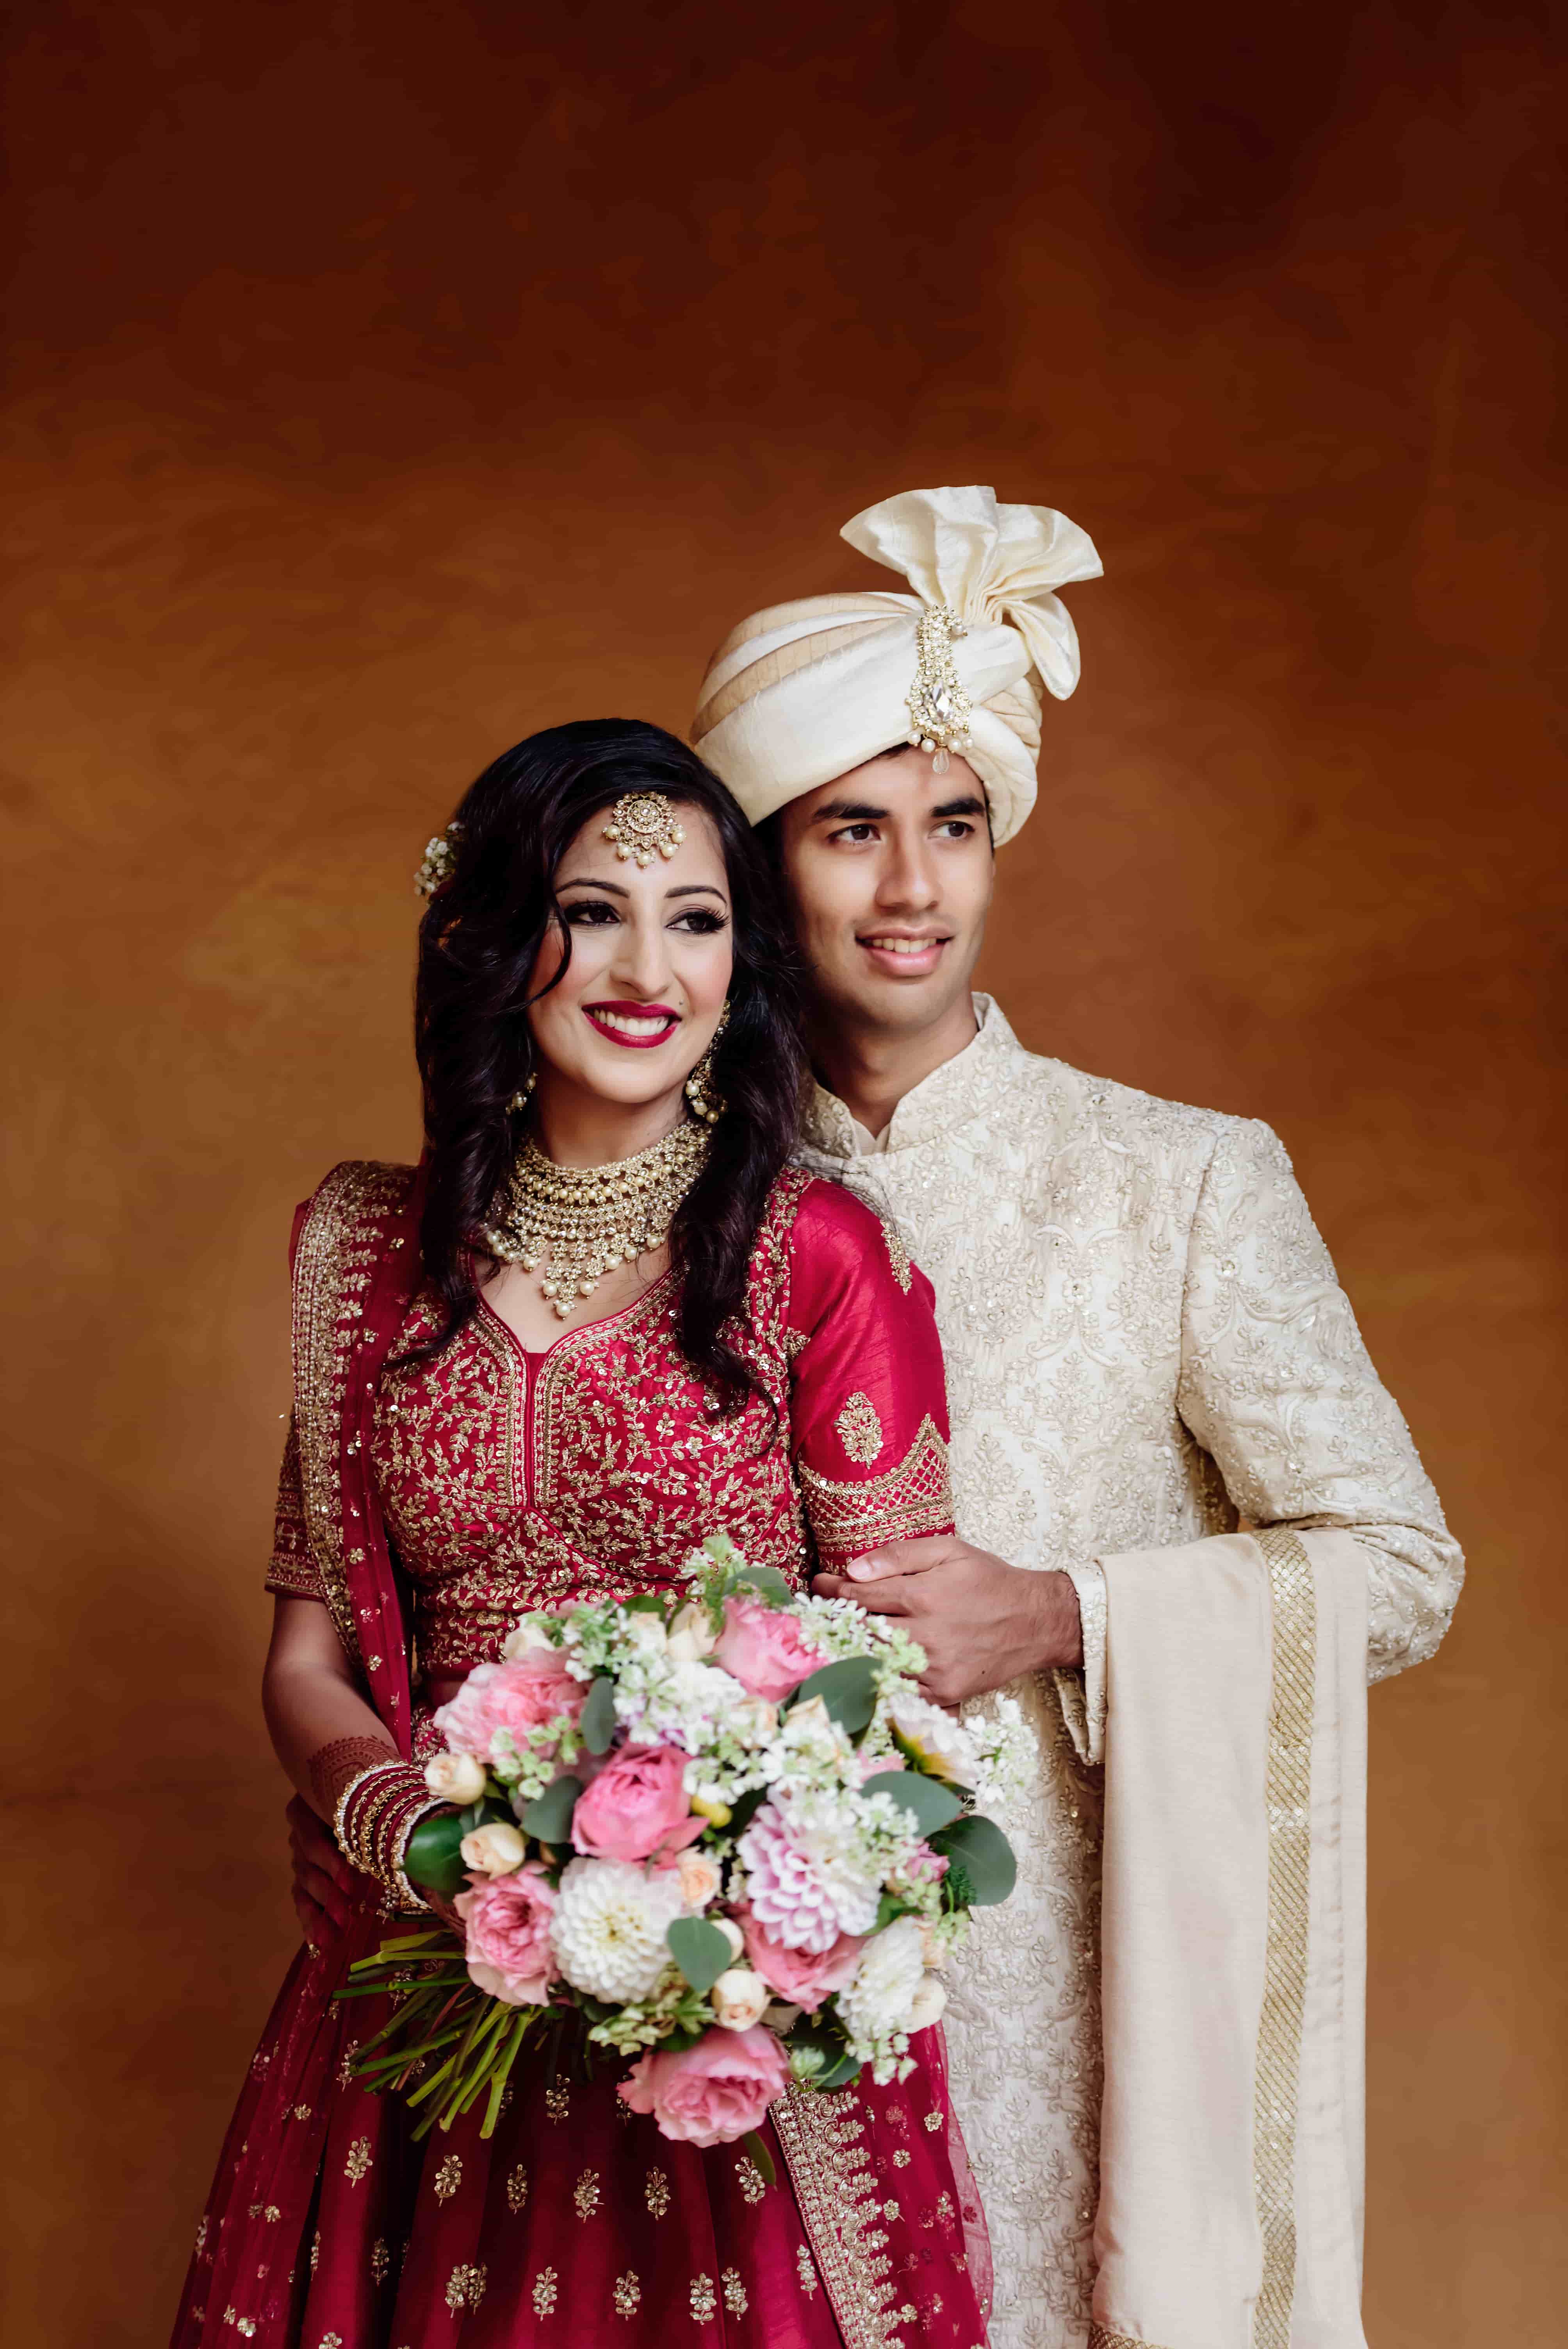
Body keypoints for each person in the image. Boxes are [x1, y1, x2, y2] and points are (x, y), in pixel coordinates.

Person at [681, 485, 1466, 2349]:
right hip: (727, 2008)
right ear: (756, 859)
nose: (911, 891)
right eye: (850, 831)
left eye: (951, 828)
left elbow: (1403, 1568)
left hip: (1084, 2006)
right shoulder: (670, 1197)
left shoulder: (1175, 1180)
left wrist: (1063, 1612)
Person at [173, 720, 994, 2349]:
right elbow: (310, 1647)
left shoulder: (811, 1249)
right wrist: (401, 1826)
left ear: (739, 962)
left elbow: (907, 1654)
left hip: (723, 2021)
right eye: (593, 908)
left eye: (694, 918)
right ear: (490, 935)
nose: (646, 966)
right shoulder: (362, 1253)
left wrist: (725, 1884)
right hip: (422, 1985)